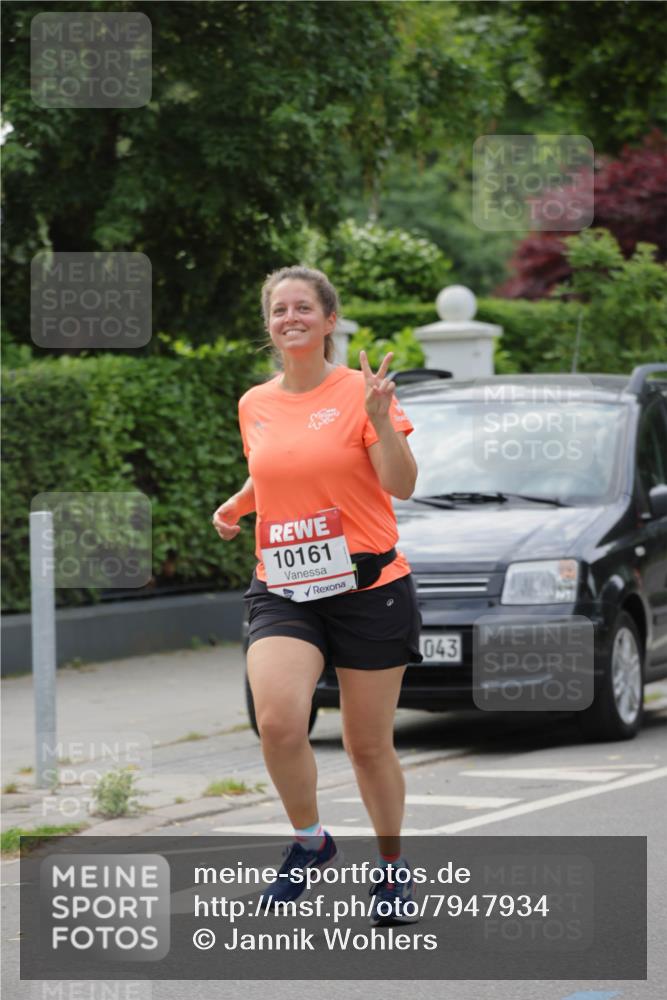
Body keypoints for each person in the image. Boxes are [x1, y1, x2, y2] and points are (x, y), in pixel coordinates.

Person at [212, 265, 423, 926]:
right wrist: (239, 503)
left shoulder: (363, 391)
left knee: (366, 745)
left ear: (329, 321)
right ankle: (310, 841)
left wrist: (379, 421)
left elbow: (402, 483)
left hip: (370, 588)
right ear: (269, 325)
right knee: (277, 721)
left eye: (304, 307)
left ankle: (391, 871)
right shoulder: (255, 402)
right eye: (279, 310)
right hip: (285, 585)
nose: (290, 318)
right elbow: (277, 467)